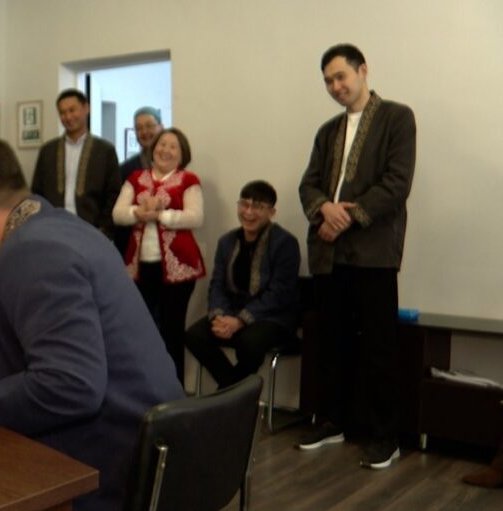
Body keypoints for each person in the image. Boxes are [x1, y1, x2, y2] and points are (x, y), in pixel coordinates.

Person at [0, 135, 212, 511]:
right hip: (159, 457)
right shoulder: (60, 228)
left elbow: (71, 386)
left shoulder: (29, 252)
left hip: (114, 483)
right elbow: (24, 329)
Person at [296, 44, 416, 470]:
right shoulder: (327, 130)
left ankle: (386, 437)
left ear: (363, 70)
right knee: (331, 342)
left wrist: (344, 216)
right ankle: (332, 422)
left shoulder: (397, 117)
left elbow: (396, 183)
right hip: (328, 254)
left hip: (373, 252)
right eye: (328, 81)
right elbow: (308, 185)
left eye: (341, 76)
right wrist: (324, 209)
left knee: (379, 347)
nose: (335, 86)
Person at [185, 181, 301, 390]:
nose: (248, 212)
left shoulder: (285, 243)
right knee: (195, 336)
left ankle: (227, 395)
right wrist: (220, 317)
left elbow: (279, 293)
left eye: (257, 207)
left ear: (271, 212)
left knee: (249, 344)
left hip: (273, 317)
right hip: (231, 311)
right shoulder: (226, 241)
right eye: (244, 204)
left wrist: (240, 321)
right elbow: (217, 285)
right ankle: (234, 392)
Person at [111, 127, 205, 384]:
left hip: (178, 270)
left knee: (172, 332)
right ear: (153, 150)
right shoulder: (135, 178)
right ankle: (143, 387)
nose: (166, 150)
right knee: (140, 330)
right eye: (162, 144)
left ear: (182, 154)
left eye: (173, 146)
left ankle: (174, 389)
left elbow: (195, 217)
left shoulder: (188, 180)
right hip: (139, 267)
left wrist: (161, 216)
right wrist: (138, 213)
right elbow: (117, 214)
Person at [30, 89, 121, 239]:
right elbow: (37, 192)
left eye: (72, 110)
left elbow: (113, 194)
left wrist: (104, 229)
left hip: (92, 231)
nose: (68, 117)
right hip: (53, 229)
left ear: (86, 108)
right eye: (62, 113)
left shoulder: (105, 151)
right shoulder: (48, 151)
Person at [115, 106, 164, 253]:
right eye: (139, 128)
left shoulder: (174, 165)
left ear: (161, 127)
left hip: (167, 243)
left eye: (149, 126)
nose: (144, 132)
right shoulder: (126, 169)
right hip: (133, 244)